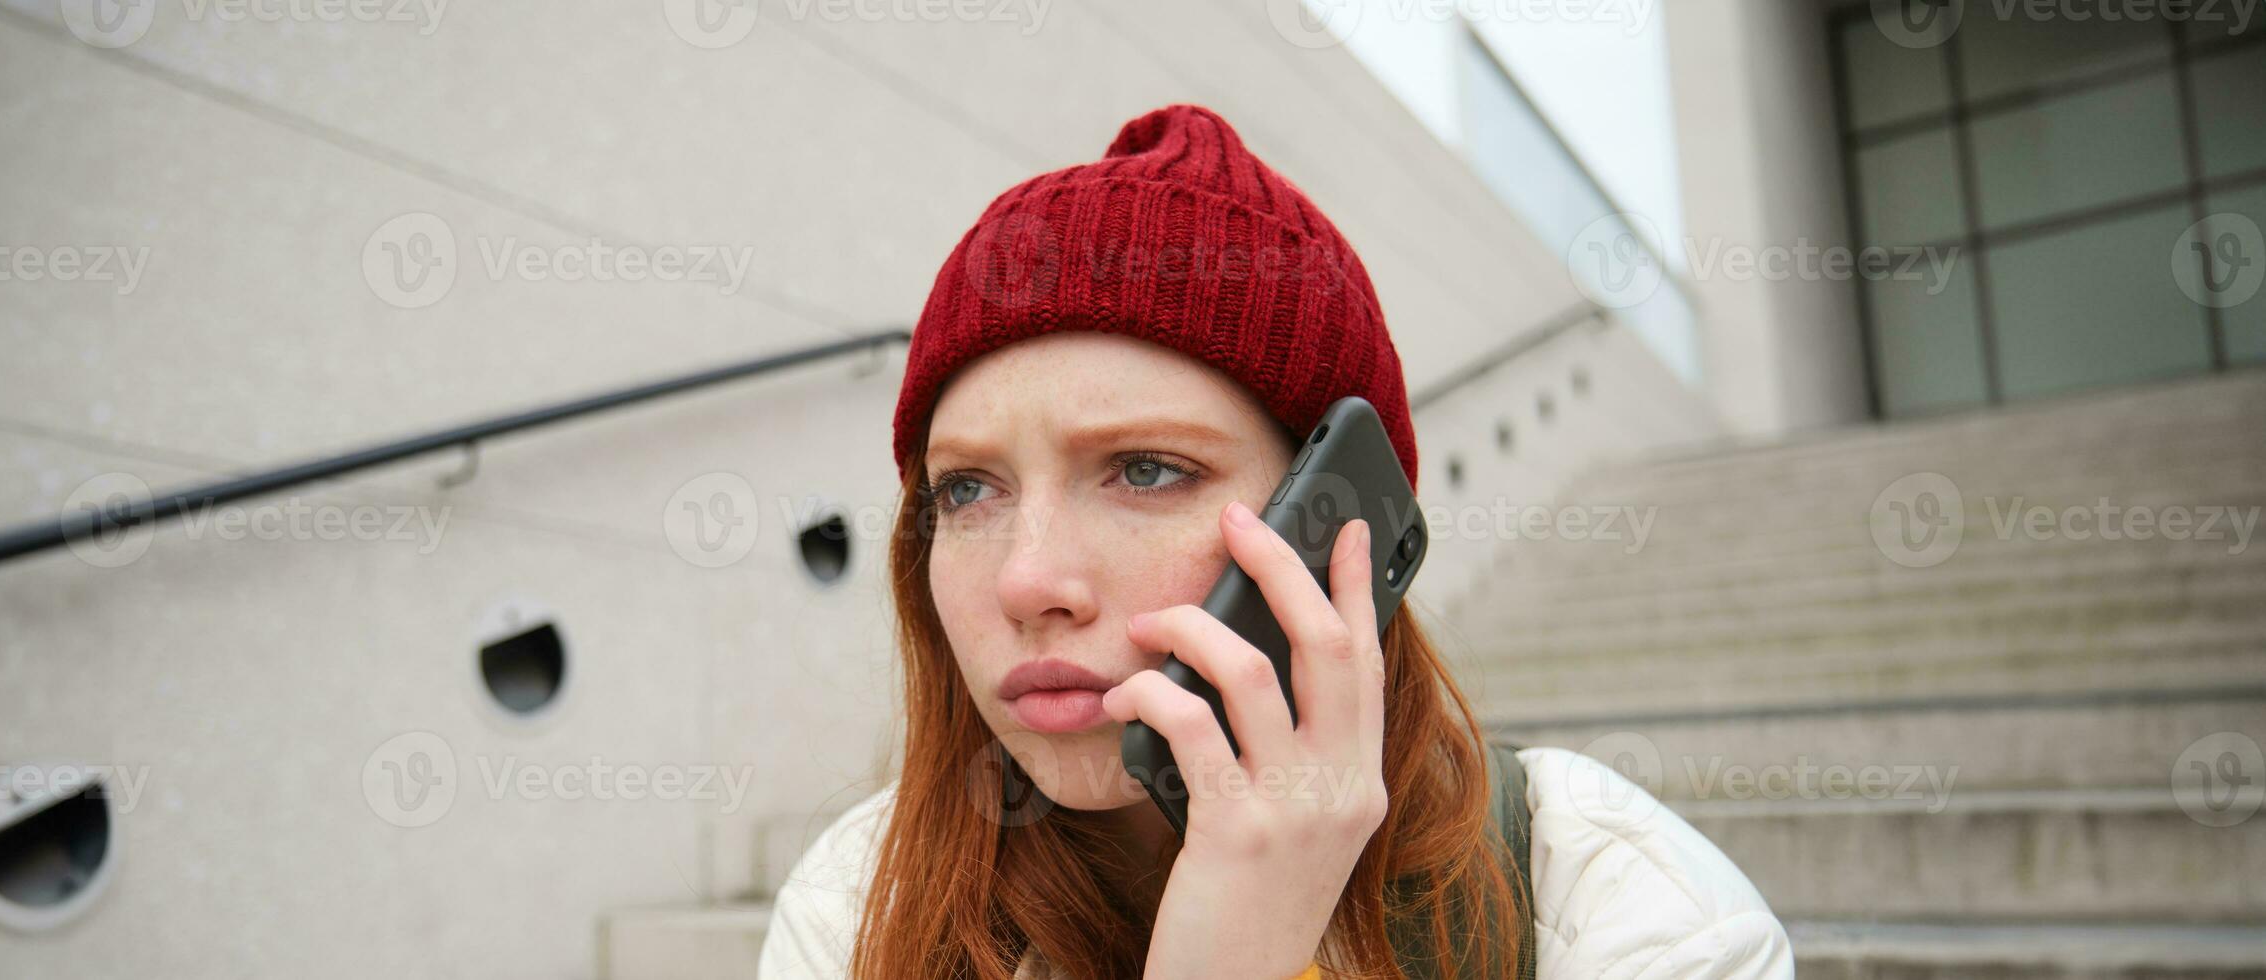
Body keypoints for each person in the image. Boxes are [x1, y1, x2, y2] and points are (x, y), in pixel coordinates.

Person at [759, 104, 1793, 980]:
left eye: (1145, 468)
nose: (1028, 580)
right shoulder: (854, 906)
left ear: (1338, 521)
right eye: (967, 488)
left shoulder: (1615, 898)